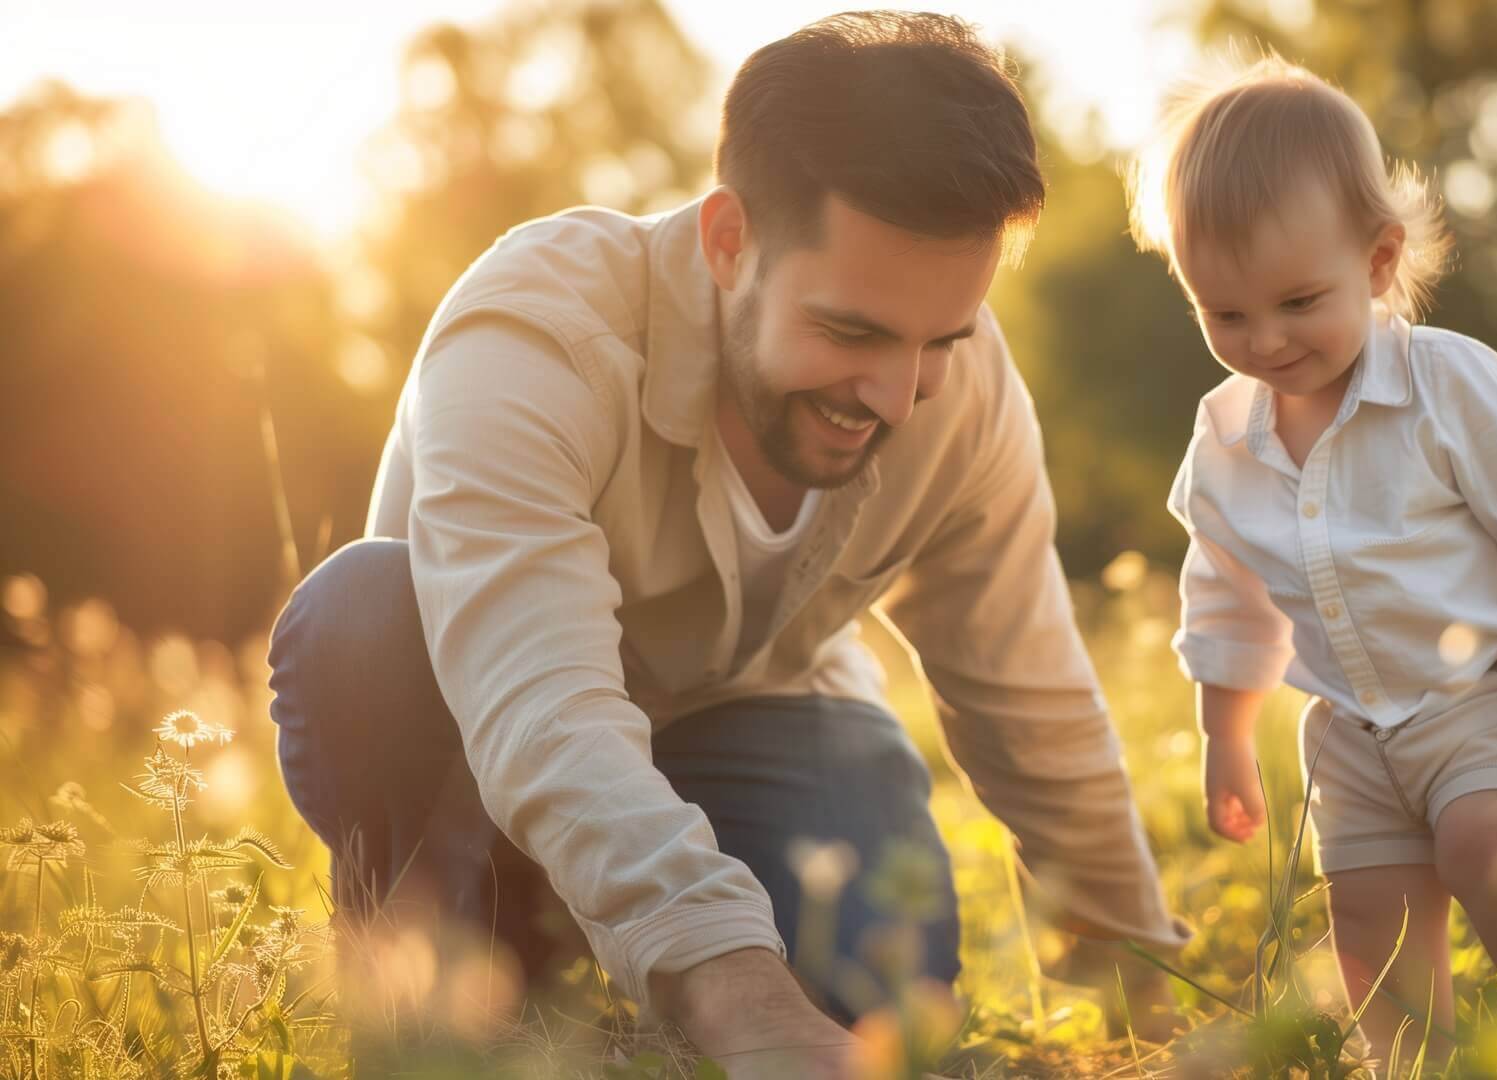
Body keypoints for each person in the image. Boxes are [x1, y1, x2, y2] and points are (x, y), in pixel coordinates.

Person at [267, 13, 1187, 1077]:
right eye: (851, 332)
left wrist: (1145, 1006)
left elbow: (1034, 705)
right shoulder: (535, 334)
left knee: (879, 983)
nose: (896, 396)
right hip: (476, 731)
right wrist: (744, 999)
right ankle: (447, 954)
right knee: (364, 616)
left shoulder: (964, 398)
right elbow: (540, 706)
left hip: (747, 716)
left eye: (941, 339)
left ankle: (605, 954)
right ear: (727, 241)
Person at [1125, 56, 1497, 1061]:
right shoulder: (1225, 437)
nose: (1265, 340)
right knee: (1367, 914)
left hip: (1486, 694)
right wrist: (1224, 737)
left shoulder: (1446, 384)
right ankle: (1414, 1066)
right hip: (1351, 735)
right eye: (1224, 314)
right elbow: (1224, 599)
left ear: (1375, 260)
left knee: (1491, 845)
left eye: (1297, 302)